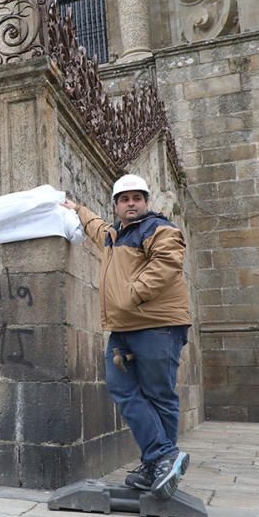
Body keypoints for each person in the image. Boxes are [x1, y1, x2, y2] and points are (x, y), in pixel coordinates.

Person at [61, 174, 192, 500]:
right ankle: (160, 459)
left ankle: (160, 461)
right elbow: (95, 227)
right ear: (117, 205)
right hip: (125, 329)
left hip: (157, 325)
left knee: (159, 395)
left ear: (146, 202)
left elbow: (166, 264)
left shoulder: (161, 229)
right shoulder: (114, 234)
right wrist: (77, 208)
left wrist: (129, 295)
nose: (131, 203)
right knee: (122, 389)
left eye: (137, 197)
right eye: (124, 199)